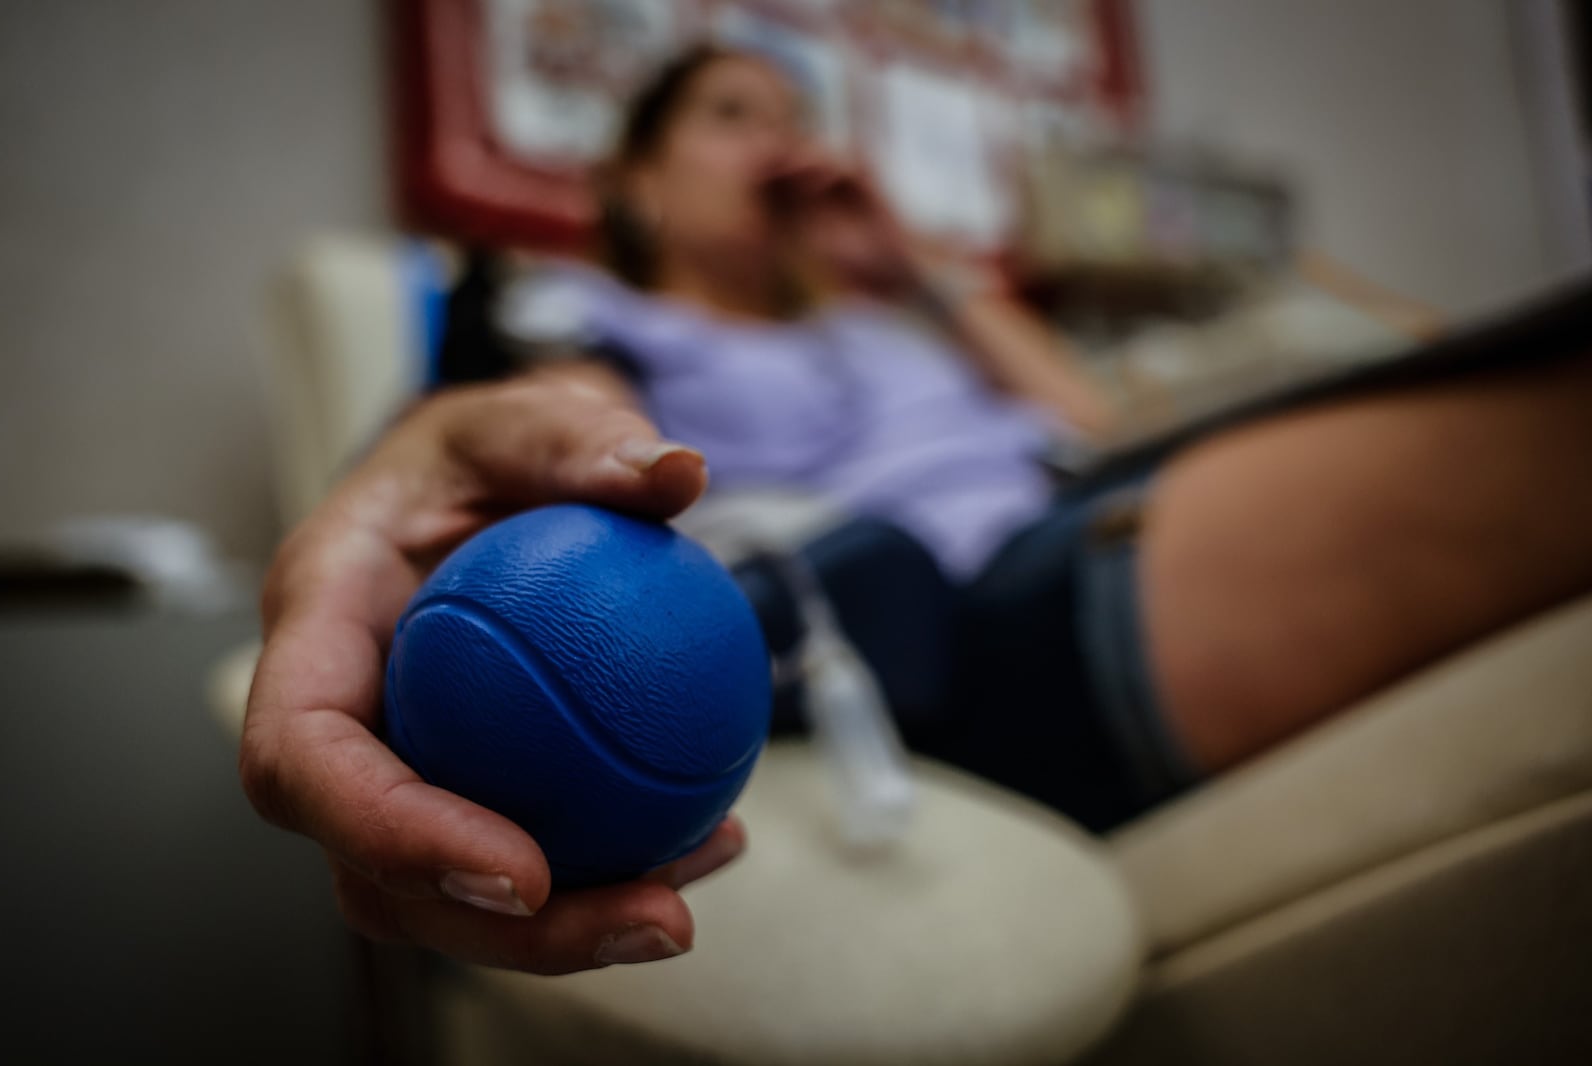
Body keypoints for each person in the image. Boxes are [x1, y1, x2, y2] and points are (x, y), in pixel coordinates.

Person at [240, 46, 1592, 975]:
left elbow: (1098, 433)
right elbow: (537, 452)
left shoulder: (903, 330)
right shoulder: (587, 308)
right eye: (730, 113)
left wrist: (917, 272)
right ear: (638, 184)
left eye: (793, 113)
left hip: (1117, 499)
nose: (779, 138)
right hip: (987, 609)